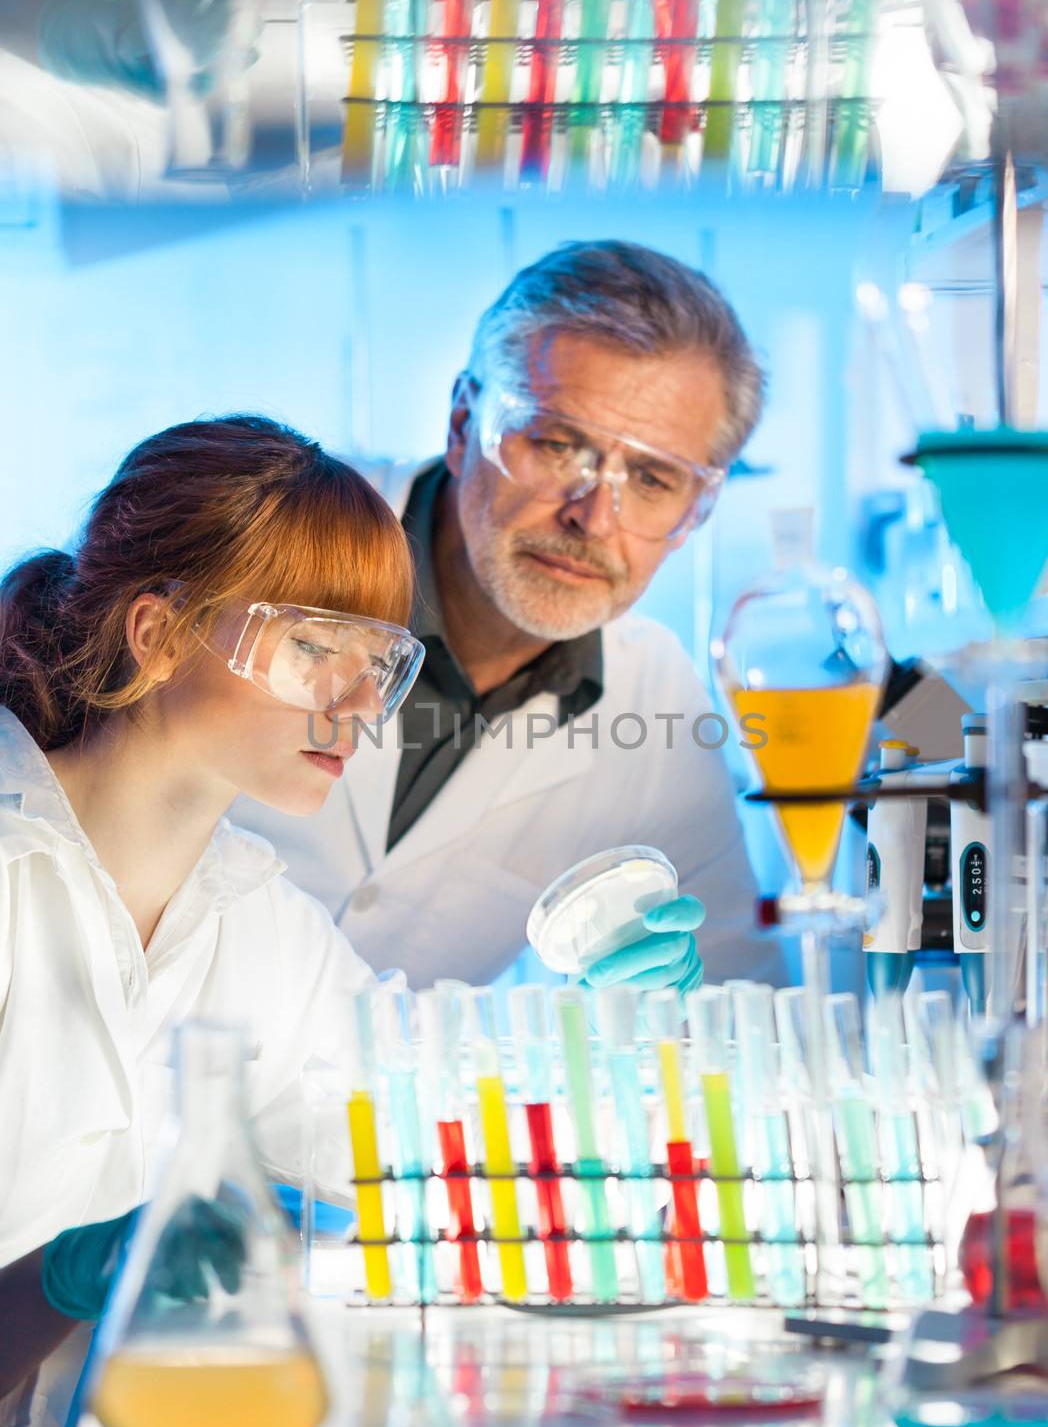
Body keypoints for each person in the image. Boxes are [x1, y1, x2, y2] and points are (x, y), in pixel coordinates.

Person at [0, 413, 421, 1427]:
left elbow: (414, 1164)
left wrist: (575, 998)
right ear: (158, 633)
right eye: (313, 646)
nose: (360, 702)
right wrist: (61, 1280)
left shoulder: (262, 925)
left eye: (380, 660)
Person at [235, 241, 785, 991]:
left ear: (696, 510)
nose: (593, 518)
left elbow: (742, 1006)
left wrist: (645, 1024)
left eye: (653, 479)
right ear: (463, 423)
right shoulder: (260, 533)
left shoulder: (655, 699)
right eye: (558, 446)